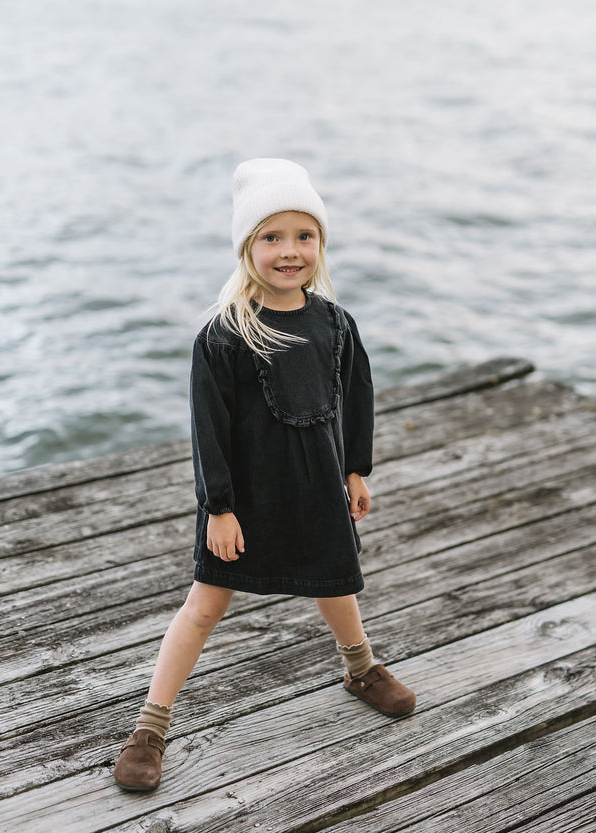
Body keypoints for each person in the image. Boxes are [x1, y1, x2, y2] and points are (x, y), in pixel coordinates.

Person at [113, 158, 416, 792]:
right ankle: (150, 725)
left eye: (303, 236)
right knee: (204, 607)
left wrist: (357, 469)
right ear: (248, 246)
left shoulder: (334, 323)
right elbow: (208, 431)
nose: (289, 251)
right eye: (271, 238)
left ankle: (360, 668)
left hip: (318, 486)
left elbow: (356, 396)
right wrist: (217, 508)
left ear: (320, 244)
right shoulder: (225, 336)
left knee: (335, 579)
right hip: (243, 501)